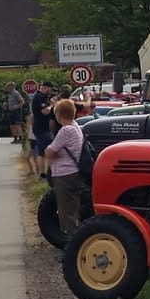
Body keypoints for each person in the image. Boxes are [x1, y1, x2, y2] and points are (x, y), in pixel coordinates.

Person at [46, 98, 87, 234]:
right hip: (74, 172)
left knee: (66, 211)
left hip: (64, 173)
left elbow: (50, 152)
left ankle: (71, 239)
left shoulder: (65, 131)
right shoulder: (76, 126)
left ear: (59, 114)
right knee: (74, 207)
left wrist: (52, 153)